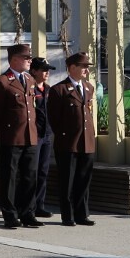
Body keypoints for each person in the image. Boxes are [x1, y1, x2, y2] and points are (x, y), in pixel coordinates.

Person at [0, 43, 42, 229]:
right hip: (11, 137)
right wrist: (3, 132)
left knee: (30, 176)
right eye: (26, 58)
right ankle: (10, 215)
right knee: (9, 177)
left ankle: (27, 213)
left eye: (29, 58)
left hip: (30, 136)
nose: (29, 61)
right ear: (14, 59)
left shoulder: (30, 79)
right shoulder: (3, 82)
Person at [47, 52, 97, 227]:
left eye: (87, 67)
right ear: (72, 67)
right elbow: (54, 119)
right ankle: (67, 215)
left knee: (84, 180)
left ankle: (82, 214)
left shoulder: (89, 87)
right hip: (68, 143)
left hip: (86, 141)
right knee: (67, 181)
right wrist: (66, 135)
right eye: (83, 67)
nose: (86, 70)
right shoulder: (59, 90)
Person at [30, 56, 56, 220]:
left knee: (43, 171)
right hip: (35, 135)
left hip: (47, 135)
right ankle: (28, 205)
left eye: (48, 70)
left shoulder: (48, 89)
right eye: (43, 70)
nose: (47, 73)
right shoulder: (30, 88)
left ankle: (40, 205)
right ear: (34, 71)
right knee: (31, 171)